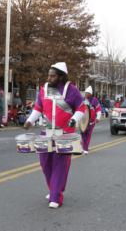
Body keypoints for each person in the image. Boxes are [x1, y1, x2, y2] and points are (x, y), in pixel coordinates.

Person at [24, 62, 85, 209]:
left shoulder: (72, 90)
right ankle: (54, 189)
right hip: (46, 133)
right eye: (49, 75)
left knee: (60, 164)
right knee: (45, 163)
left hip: (64, 134)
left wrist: (74, 119)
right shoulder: (44, 89)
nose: (49, 78)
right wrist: (30, 120)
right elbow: (38, 107)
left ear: (61, 77)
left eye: (53, 76)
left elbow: (81, 108)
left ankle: (56, 196)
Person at [81, 86, 101, 155]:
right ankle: (84, 146)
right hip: (83, 121)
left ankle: (85, 149)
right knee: (83, 134)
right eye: (85, 93)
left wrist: (98, 117)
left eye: (87, 93)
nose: (86, 94)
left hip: (91, 121)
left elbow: (98, 110)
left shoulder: (94, 100)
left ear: (90, 94)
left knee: (88, 134)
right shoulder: (82, 99)